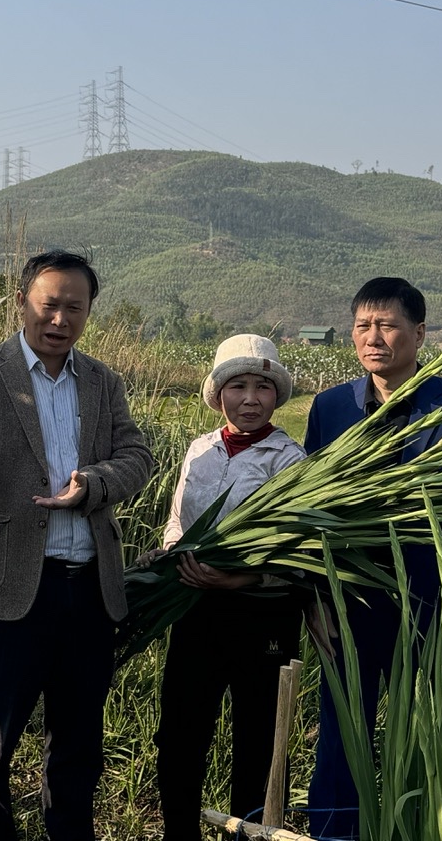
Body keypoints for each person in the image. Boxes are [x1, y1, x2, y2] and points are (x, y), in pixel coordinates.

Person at [0, 251, 154, 841]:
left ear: (89, 312)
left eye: (75, 307)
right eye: (49, 305)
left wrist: (93, 486)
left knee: (77, 747)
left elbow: (138, 457)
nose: (60, 319)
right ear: (22, 302)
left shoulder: (102, 380)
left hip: (89, 588)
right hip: (10, 588)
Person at [303, 277, 442, 841]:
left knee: (428, 733)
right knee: (342, 731)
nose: (374, 337)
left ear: (418, 332)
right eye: (363, 325)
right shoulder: (331, 407)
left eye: (387, 325)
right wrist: (315, 596)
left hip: (431, 599)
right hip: (350, 602)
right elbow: (309, 516)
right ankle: (335, 835)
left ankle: (418, 830)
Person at [142, 334, 307, 840]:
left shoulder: (291, 461)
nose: (251, 398)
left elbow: (302, 552)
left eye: (262, 386)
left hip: (264, 615)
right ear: (220, 394)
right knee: (180, 734)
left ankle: (247, 834)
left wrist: (241, 577)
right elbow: (177, 521)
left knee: (257, 738)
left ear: (277, 395)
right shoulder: (201, 449)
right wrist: (170, 556)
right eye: (238, 386)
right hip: (195, 609)